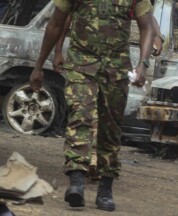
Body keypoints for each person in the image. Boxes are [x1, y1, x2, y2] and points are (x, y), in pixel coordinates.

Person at [29, 0, 155, 212]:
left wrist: (143, 64)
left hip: (116, 70)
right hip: (81, 65)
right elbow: (56, 24)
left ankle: (105, 188)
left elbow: (148, 27)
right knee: (80, 116)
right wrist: (39, 65)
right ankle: (76, 180)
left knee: (111, 128)